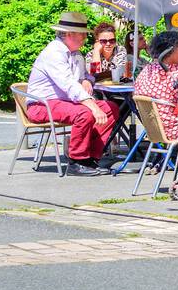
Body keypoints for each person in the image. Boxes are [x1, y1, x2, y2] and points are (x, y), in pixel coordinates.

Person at [25, 11, 119, 176]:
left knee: (110, 108)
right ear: (69, 34)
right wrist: (92, 106)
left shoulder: (76, 54)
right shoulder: (53, 53)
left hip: (65, 102)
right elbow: (68, 85)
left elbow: (84, 77)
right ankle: (76, 161)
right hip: (41, 104)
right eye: (82, 35)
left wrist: (87, 80)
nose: (85, 38)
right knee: (85, 112)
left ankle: (90, 158)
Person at [133, 29, 178, 143]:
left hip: (154, 130)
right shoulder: (173, 75)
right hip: (175, 130)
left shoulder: (145, 71)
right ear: (170, 50)